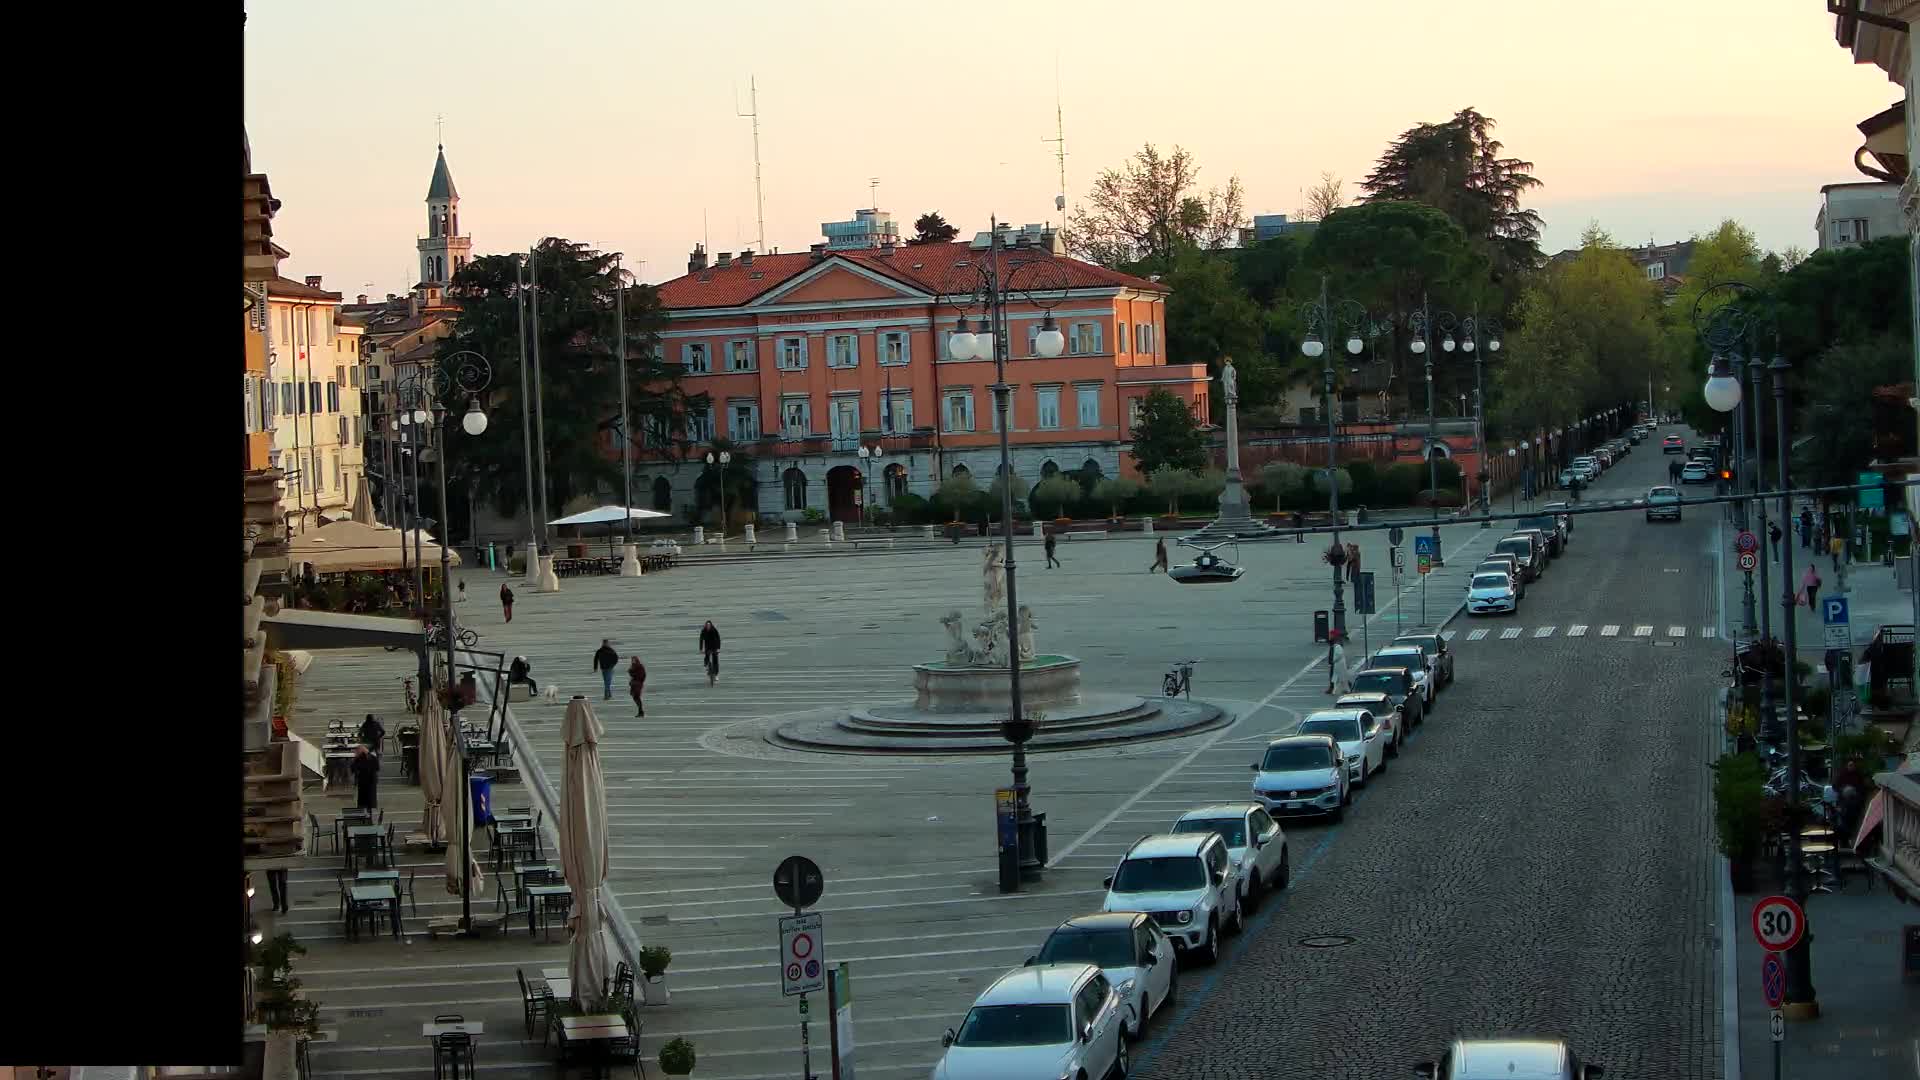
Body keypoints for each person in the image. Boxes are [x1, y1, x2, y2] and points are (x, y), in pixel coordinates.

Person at [350, 744, 380, 810]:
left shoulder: (368, 758)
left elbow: (353, 769)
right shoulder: (367, 757)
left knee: (366, 803)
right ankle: (366, 816)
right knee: (366, 804)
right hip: (366, 783)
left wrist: (355, 758)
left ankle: (366, 816)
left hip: (367, 783)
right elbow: (353, 769)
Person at [1326, 629, 1351, 695]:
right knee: (1337, 676)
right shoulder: (1335, 642)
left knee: (1337, 675)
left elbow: (1339, 654)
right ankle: (1335, 688)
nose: (1330, 636)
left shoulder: (1337, 643)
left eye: (1331, 634)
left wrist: (1333, 660)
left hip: (1337, 663)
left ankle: (1334, 688)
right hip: (1335, 662)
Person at [697, 621, 722, 685]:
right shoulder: (703, 631)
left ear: (711, 625)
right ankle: (706, 665)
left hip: (714, 646)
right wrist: (701, 649)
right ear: (705, 625)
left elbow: (718, 639)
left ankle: (716, 675)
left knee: (715, 660)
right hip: (707, 647)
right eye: (707, 625)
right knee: (707, 656)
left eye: (709, 625)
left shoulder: (714, 630)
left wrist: (718, 648)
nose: (708, 626)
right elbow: (701, 640)